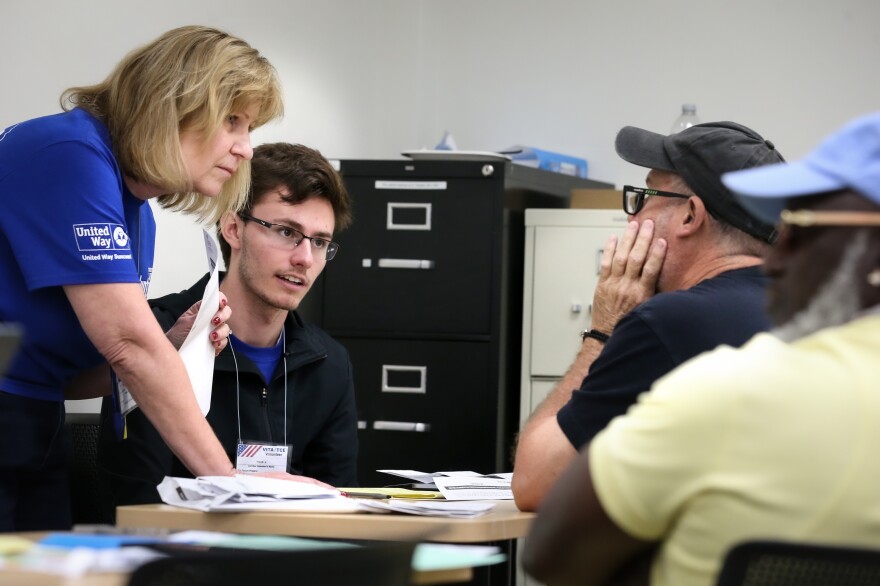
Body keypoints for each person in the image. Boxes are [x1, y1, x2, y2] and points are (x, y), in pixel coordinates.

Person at [521, 111, 880, 586]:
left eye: (802, 226)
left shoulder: (722, 388)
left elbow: (543, 520)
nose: (782, 248)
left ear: (692, 215)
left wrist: (605, 327)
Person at [0, 25, 284, 531]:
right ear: (172, 102)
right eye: (233, 120)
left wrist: (174, 346)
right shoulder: (67, 153)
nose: (245, 149)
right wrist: (231, 484)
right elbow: (128, 344)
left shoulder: (137, 212)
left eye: (251, 128)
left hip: (35, 431)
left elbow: (59, 372)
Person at [512, 121, 784, 511]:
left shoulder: (670, 323)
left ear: (690, 216)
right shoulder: (813, 312)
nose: (630, 220)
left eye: (642, 198)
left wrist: (604, 328)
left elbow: (535, 482)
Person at [97, 143, 358, 519]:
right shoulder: (160, 335)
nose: (304, 258)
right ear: (233, 228)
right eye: (286, 232)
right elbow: (137, 502)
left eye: (319, 242)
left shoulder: (329, 364)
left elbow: (337, 507)